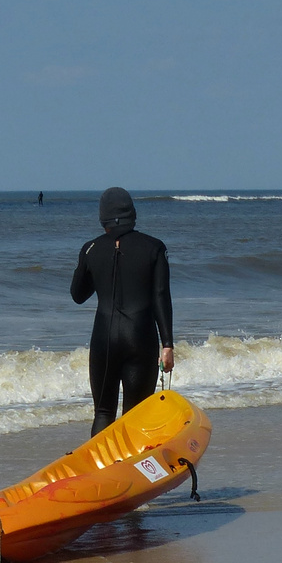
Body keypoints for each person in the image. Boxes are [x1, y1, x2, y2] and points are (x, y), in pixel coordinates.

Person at [71, 187, 174, 436]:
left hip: (104, 338)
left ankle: (99, 468)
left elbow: (77, 295)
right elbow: (161, 296)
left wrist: (92, 267)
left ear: (102, 217)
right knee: (136, 413)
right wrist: (167, 345)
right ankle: (134, 470)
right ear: (133, 214)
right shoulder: (154, 248)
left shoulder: (90, 249)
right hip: (140, 338)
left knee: (103, 412)